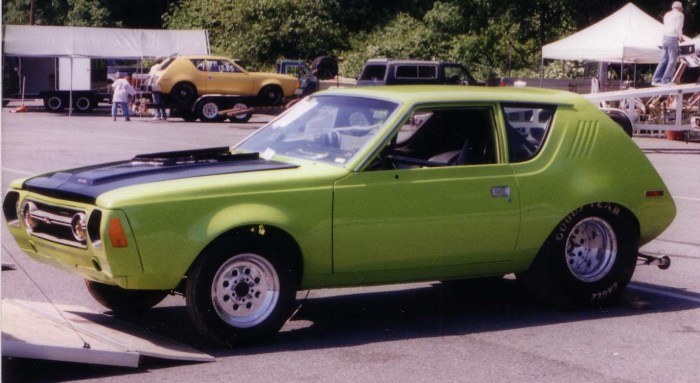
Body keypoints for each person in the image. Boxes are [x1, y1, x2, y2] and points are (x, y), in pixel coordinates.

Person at [652, 1, 684, 86]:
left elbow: (666, 26)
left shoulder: (667, 14)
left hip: (665, 38)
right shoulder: (680, 15)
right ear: (680, 8)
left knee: (664, 59)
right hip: (673, 38)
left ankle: (656, 79)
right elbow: (678, 28)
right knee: (672, 60)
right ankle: (666, 80)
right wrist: (680, 37)